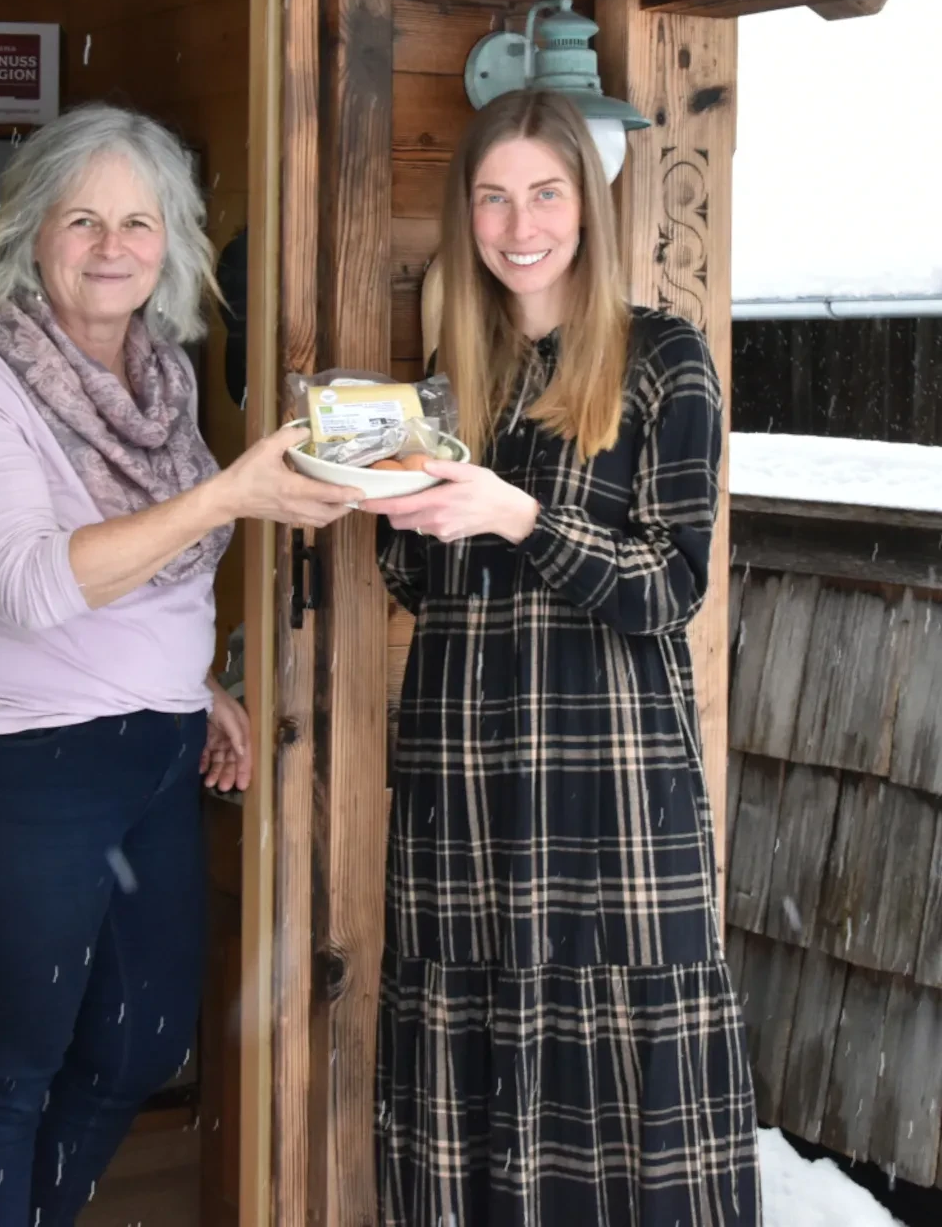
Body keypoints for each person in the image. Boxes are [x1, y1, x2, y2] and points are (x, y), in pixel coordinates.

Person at [0, 103, 360, 1227]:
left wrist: (191, 683)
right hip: (13, 762)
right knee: (13, 1061)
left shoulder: (164, 385)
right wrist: (229, 493)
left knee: (142, 1040)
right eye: (83, 219)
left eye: (139, 222)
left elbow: (149, 576)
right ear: (29, 235)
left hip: (151, 752)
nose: (113, 246)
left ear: (172, 243)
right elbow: (35, 582)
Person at [365, 89, 758, 1227]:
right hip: (464, 786)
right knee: (470, 1087)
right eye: (492, 197)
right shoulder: (452, 375)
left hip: (611, 792)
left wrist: (518, 513)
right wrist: (392, 507)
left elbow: (670, 586)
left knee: (629, 1107)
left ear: (587, 206)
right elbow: (424, 589)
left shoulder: (662, 358)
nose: (517, 222)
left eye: (544, 192)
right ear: (466, 217)